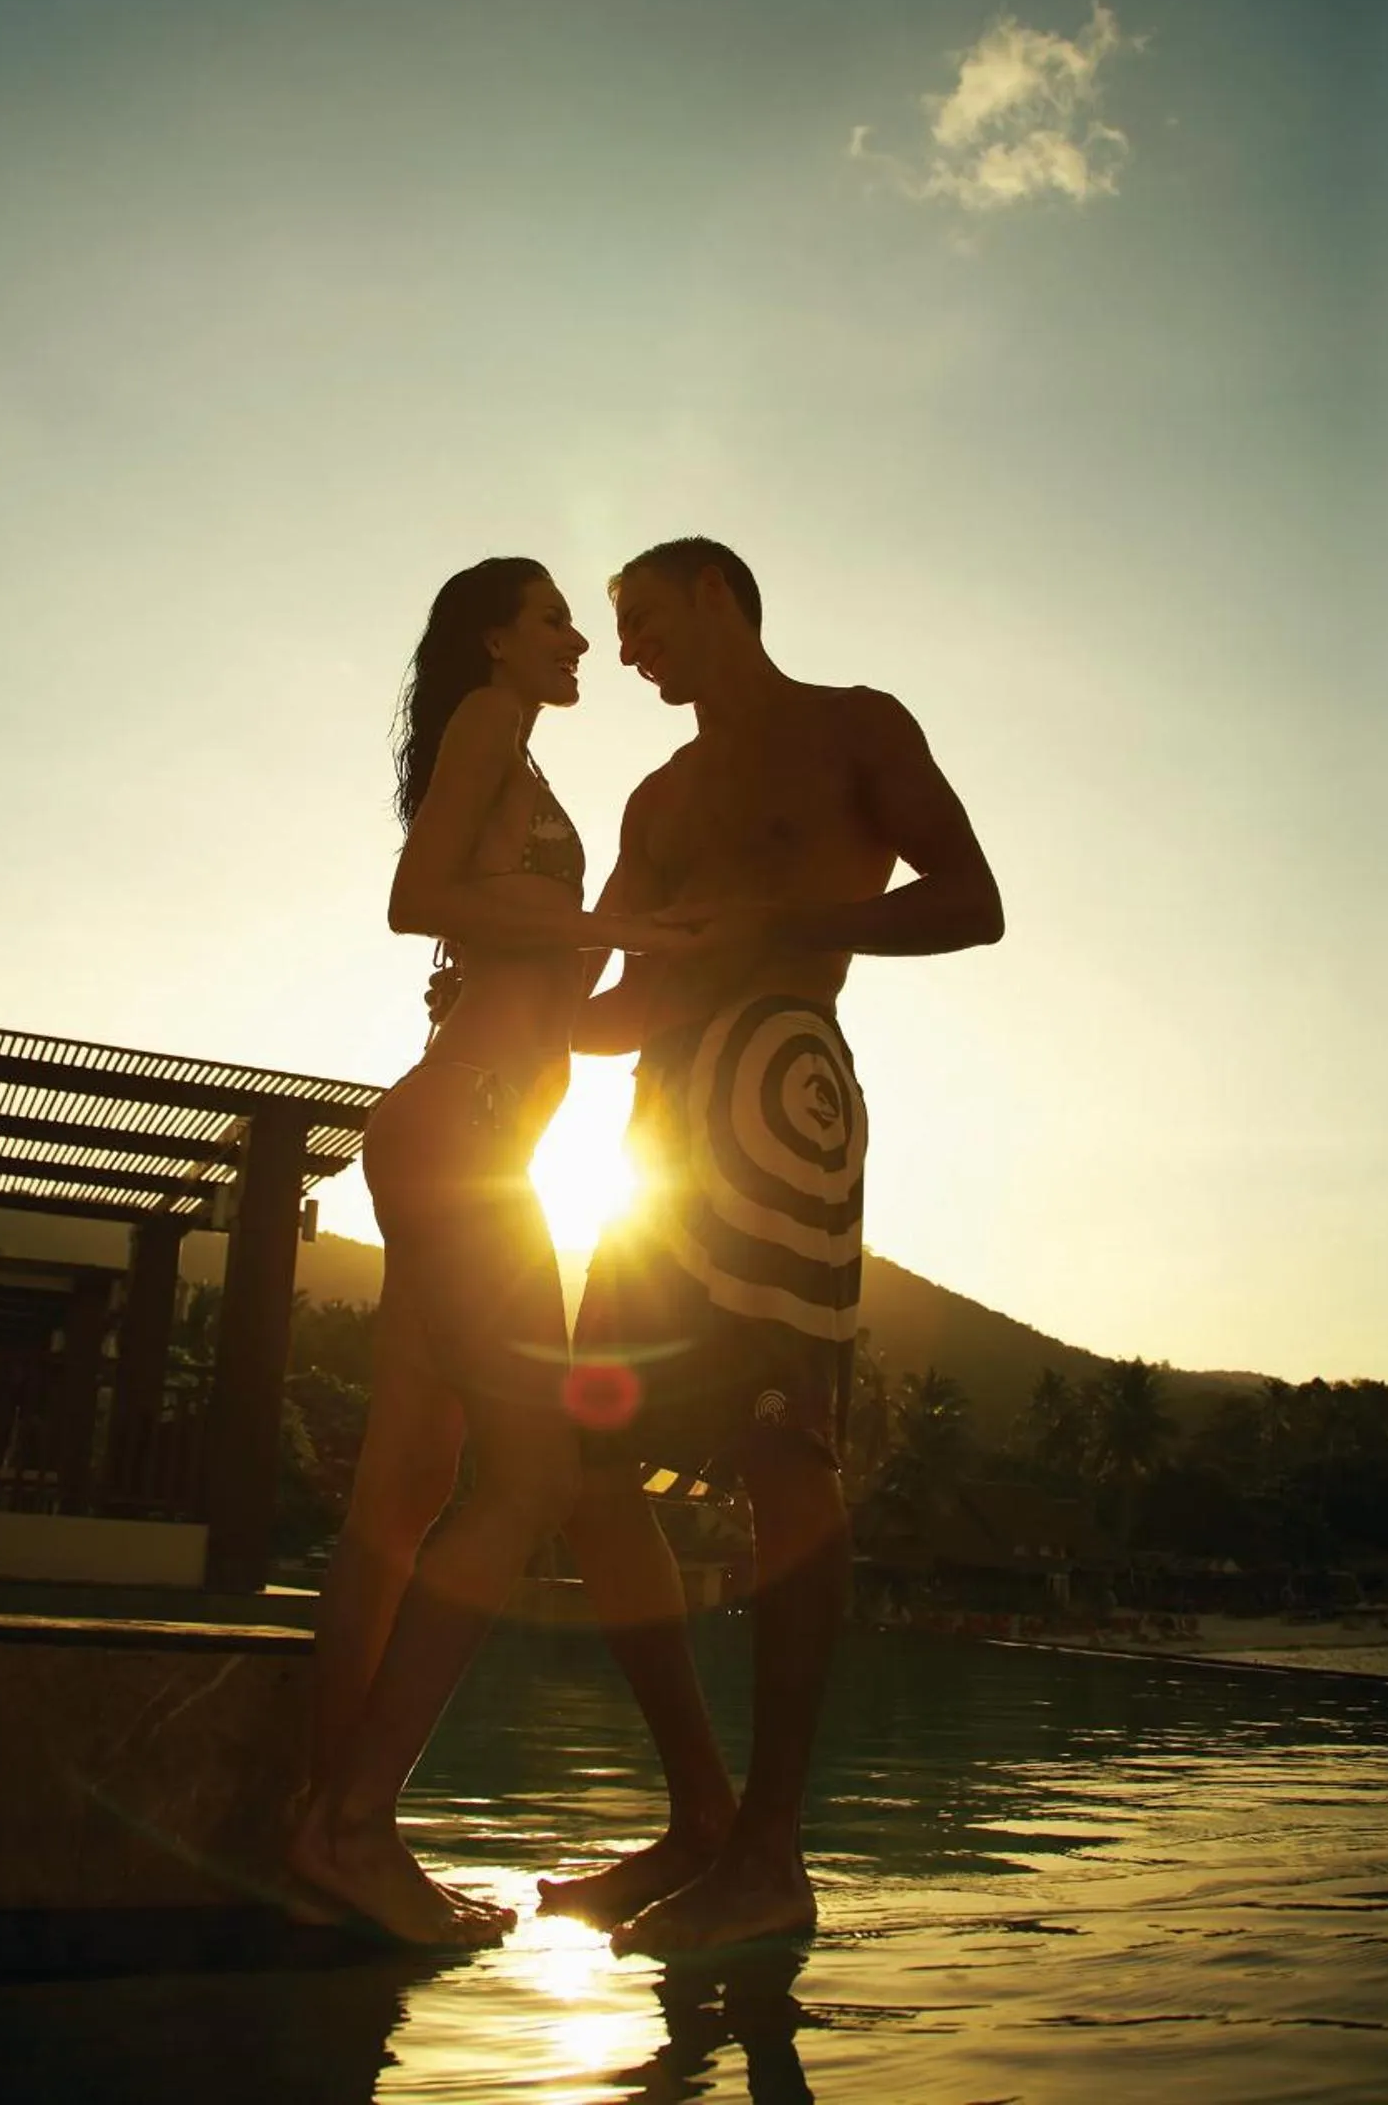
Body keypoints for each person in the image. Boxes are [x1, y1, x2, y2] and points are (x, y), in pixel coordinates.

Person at [540, 535, 1004, 1955]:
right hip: (657, 1126)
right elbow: (613, 1004)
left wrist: (772, 926)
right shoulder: (655, 796)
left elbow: (973, 902)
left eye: (643, 618)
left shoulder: (856, 728)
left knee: (780, 1446)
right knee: (585, 1455)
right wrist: (525, 989)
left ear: (720, 596)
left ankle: (775, 1848)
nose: (627, 653)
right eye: (615, 632)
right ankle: (699, 1812)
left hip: (783, 1079)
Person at [285, 556, 680, 1944]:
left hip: (473, 1137)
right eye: (555, 616)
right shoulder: (487, 729)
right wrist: (611, 924)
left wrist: (670, 964)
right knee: (532, 1474)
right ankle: (350, 1825)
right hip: (465, 1146)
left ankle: (325, 1823)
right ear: (497, 639)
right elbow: (417, 894)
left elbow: (556, 1006)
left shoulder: (518, 762)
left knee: (402, 1491)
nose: (579, 638)